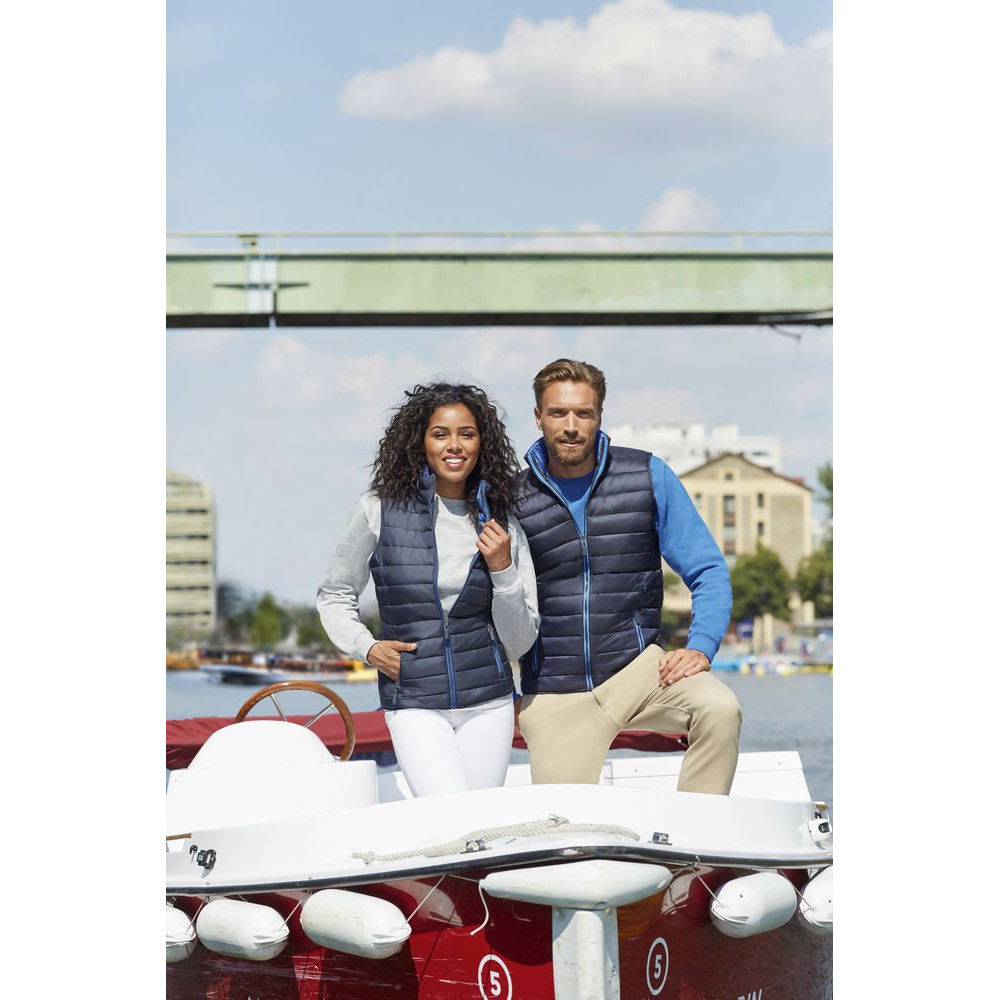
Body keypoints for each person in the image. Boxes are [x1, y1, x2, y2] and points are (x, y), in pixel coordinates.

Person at [514, 359, 741, 795]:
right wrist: (506, 696)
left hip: (640, 672)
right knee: (566, 827)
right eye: (558, 413)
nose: (571, 426)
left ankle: (694, 831)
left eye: (583, 413)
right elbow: (489, 602)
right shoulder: (512, 497)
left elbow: (707, 569)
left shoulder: (647, 475)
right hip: (554, 690)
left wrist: (701, 646)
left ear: (600, 415)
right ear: (539, 417)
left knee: (719, 708)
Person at [317, 382, 539, 798]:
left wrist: (503, 569)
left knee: (479, 821)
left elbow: (519, 642)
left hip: (489, 704)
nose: (454, 445)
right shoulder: (379, 509)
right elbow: (335, 593)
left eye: (466, 434)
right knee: (448, 812)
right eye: (440, 434)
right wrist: (367, 648)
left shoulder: (502, 523)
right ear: (421, 441)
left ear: (482, 444)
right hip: (414, 700)